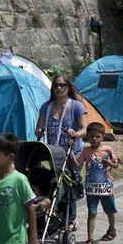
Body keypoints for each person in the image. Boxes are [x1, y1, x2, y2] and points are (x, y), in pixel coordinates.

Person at [35, 74, 87, 231]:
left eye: (62, 85)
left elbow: (85, 129)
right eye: (56, 85)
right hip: (53, 154)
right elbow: (38, 129)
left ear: (68, 87)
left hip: (72, 154)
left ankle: (69, 220)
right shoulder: (47, 106)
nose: (59, 88)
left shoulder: (76, 106)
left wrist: (75, 134)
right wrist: (39, 131)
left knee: (67, 187)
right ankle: (56, 218)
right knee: (55, 186)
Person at [69, 122, 119, 244]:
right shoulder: (86, 151)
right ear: (87, 137)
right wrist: (71, 152)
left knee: (109, 210)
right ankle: (89, 238)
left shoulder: (107, 150)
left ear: (103, 136)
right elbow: (77, 164)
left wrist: (109, 163)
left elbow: (116, 165)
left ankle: (112, 229)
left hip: (105, 187)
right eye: (91, 136)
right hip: (91, 188)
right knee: (92, 213)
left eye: (97, 136)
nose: (94, 139)